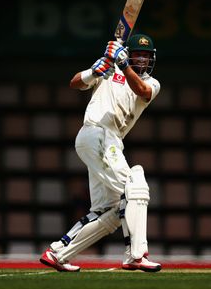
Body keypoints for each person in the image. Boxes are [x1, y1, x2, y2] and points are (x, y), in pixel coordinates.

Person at [39, 34, 161, 272]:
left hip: (107, 140)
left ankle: (58, 252)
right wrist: (94, 72)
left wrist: (124, 64)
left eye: (147, 55)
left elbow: (141, 89)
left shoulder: (152, 83)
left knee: (111, 211)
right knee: (135, 186)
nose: (143, 59)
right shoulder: (111, 69)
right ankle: (137, 254)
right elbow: (75, 82)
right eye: (139, 54)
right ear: (130, 53)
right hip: (97, 133)